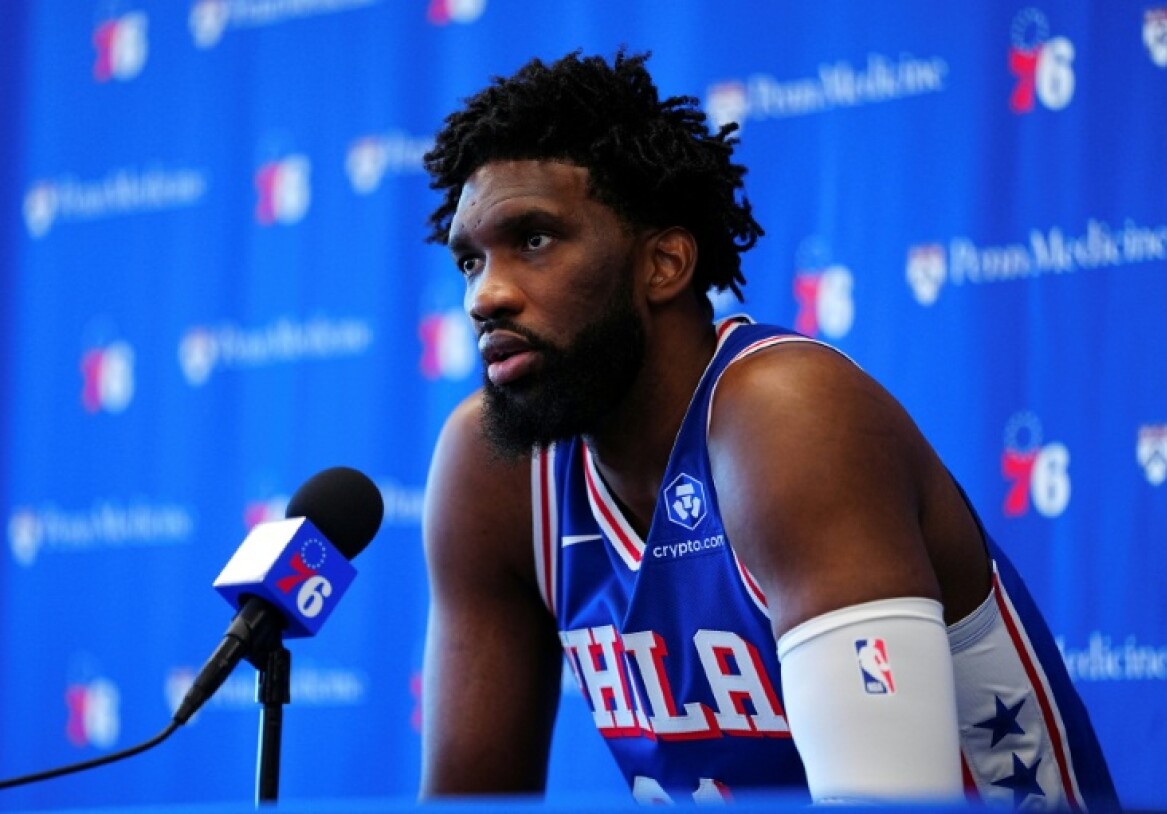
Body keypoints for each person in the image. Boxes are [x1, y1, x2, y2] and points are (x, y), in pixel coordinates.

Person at [418, 50, 1118, 809]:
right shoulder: (496, 468)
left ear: (664, 263)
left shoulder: (788, 416)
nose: (485, 296)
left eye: (534, 240)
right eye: (470, 261)